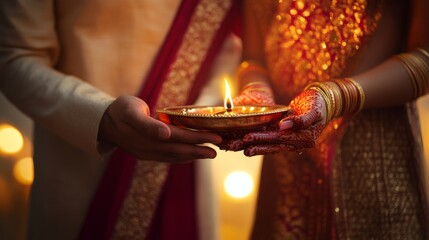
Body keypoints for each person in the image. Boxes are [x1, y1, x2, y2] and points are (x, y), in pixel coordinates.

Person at [0, 0, 241, 239]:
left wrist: (203, 111)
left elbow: (233, 49)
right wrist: (100, 116)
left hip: (187, 170)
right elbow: (15, 55)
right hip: (84, 169)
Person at [221, 0, 429, 239]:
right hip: (284, 153)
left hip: (372, 157)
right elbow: (252, 58)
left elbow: (425, 58)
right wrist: (257, 90)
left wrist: (334, 97)